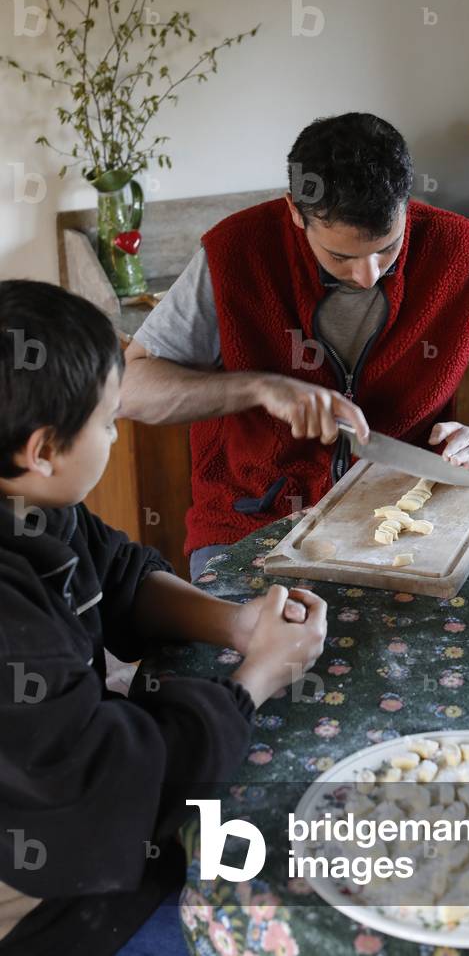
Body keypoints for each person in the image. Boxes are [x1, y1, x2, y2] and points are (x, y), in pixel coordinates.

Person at [0, 281, 327, 955]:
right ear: (42, 450)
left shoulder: (27, 497)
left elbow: (115, 572)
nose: (117, 435)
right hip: (43, 898)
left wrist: (237, 624)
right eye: (108, 420)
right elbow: (107, 777)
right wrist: (255, 678)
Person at [122, 112, 469, 580]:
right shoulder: (235, 253)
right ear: (295, 210)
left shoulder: (459, 249)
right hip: (252, 519)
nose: (368, 275)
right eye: (341, 256)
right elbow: (130, 387)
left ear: (406, 204)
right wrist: (260, 389)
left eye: (388, 248)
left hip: (400, 517)